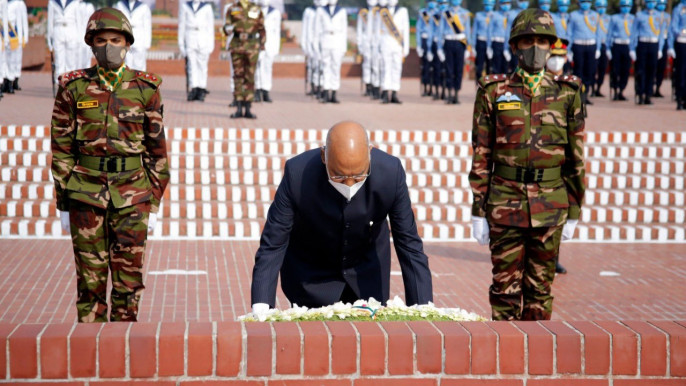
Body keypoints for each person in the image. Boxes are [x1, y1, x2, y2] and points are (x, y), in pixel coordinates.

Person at [50, 8, 170, 322]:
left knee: (129, 284)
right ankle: (91, 357)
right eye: (101, 40)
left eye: (115, 39)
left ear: (127, 43)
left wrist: (153, 204)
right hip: (85, 194)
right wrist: (64, 203)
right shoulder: (73, 88)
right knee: (90, 283)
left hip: (133, 196)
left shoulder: (146, 88)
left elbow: (158, 154)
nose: (108, 46)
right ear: (91, 44)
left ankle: (123, 355)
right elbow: (62, 150)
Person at [470, 8, 585, 320]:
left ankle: (534, 364)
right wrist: (477, 210)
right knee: (504, 291)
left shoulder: (568, 92)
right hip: (504, 202)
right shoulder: (494, 91)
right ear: (514, 47)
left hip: (550, 204)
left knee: (540, 292)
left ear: (552, 46)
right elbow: (481, 153)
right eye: (527, 41)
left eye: (542, 41)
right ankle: (504, 363)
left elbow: (576, 157)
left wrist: (575, 209)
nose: (535, 49)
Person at [249, 121, 433, 312]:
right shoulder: (297, 174)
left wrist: (423, 306)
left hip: (366, 273)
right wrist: (261, 306)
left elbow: (409, 244)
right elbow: (274, 243)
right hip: (311, 275)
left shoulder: (390, 173)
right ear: (324, 157)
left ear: (370, 153)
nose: (349, 185)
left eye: (359, 175)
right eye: (339, 177)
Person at [224, 0, 265, 117]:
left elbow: (262, 28)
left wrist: (262, 46)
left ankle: (248, 108)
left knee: (250, 77)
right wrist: (227, 29)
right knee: (238, 77)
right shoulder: (232, 9)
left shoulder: (256, 9)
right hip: (237, 45)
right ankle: (238, 107)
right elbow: (226, 26)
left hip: (252, 46)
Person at [179, 0, 215, 102]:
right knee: (191, 65)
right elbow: (182, 26)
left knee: (202, 65)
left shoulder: (207, 7)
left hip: (203, 37)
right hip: (190, 36)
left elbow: (210, 27)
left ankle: (201, 88)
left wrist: (210, 44)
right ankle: (194, 88)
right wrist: (181, 43)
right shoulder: (185, 6)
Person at [630, 0, 664, 105]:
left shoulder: (659, 16)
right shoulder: (639, 15)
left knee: (651, 71)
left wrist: (660, 48)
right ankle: (640, 94)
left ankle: (648, 95)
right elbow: (634, 32)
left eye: (653, 1)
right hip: (642, 44)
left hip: (654, 44)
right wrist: (632, 48)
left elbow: (661, 34)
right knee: (641, 71)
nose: (651, 4)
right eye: (649, 1)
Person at [567, 0, 601, 105]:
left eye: (588, 1)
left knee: (590, 71)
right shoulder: (573, 15)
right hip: (578, 46)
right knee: (578, 71)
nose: (585, 3)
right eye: (583, 1)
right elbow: (569, 33)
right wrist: (569, 50)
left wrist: (598, 48)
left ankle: (585, 95)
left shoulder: (596, 15)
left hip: (591, 45)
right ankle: (577, 95)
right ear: (579, 3)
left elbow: (598, 33)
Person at [437, 0, 471, 104]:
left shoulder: (465, 13)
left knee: (458, 69)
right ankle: (449, 94)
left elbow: (468, 31)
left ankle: (456, 94)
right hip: (448, 41)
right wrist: (439, 48)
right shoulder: (445, 13)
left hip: (460, 42)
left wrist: (468, 48)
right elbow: (440, 31)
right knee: (449, 69)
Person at [314, 0, 347, 103]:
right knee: (326, 67)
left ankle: (334, 92)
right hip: (325, 39)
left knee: (336, 67)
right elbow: (316, 29)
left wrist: (343, 47)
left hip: (337, 39)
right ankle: (326, 91)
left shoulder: (341, 11)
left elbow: (344, 30)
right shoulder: (321, 10)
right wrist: (316, 46)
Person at [377, 0, 409, 103]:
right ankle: (385, 92)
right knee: (385, 67)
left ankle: (395, 92)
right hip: (385, 41)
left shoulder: (403, 11)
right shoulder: (382, 11)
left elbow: (406, 29)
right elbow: (377, 30)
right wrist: (378, 46)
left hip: (397, 43)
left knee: (397, 67)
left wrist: (406, 47)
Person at [47, 0, 82, 85]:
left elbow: (79, 21)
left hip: (71, 29)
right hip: (58, 30)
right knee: (59, 61)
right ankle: (61, 85)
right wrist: (49, 38)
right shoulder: (52, 2)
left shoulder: (75, 2)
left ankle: (71, 84)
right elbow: (50, 21)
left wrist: (79, 38)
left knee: (71, 61)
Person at [605, 0, 633, 101]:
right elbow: (609, 33)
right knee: (615, 69)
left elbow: (634, 34)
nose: (626, 8)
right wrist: (608, 48)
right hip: (616, 45)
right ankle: (615, 89)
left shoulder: (633, 18)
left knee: (625, 70)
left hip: (628, 46)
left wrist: (634, 48)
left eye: (628, 6)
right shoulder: (614, 18)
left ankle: (622, 89)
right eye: (624, 5)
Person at [254, 0, 280, 103]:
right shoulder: (253, 10)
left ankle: (266, 90)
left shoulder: (275, 12)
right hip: (257, 42)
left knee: (267, 67)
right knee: (256, 67)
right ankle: (257, 89)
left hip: (270, 43)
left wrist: (276, 47)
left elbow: (277, 30)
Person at [115, 0, 152, 71]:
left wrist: (147, 43)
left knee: (139, 64)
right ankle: (127, 81)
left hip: (139, 38)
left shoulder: (144, 7)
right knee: (126, 64)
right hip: (125, 36)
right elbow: (117, 22)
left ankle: (139, 81)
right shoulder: (120, 5)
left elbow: (147, 25)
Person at [4, 0, 27, 93]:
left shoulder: (18, 3)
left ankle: (12, 81)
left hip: (13, 34)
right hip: (3, 33)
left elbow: (22, 21)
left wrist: (23, 37)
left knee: (14, 59)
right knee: (4, 60)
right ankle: (5, 81)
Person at [417, 0, 436, 96]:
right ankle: (425, 87)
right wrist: (419, 45)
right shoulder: (422, 13)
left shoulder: (439, 13)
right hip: (425, 40)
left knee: (435, 66)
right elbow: (418, 29)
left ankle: (434, 88)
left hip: (435, 41)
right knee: (425, 66)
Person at [358, 0, 377, 96]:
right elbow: (360, 29)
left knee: (376, 65)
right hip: (366, 42)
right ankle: (368, 85)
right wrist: (360, 44)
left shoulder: (380, 11)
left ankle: (376, 86)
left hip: (377, 41)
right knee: (367, 65)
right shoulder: (363, 12)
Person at [487, 0, 511, 74]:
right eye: (504, 3)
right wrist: (489, 46)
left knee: (506, 68)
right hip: (497, 43)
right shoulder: (495, 15)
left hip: (508, 43)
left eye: (508, 3)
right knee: (496, 66)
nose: (506, 5)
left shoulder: (511, 16)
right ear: (500, 4)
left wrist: (506, 48)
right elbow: (489, 31)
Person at [473, 0, 495, 81]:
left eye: (490, 4)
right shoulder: (478, 15)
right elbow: (474, 31)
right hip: (481, 42)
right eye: (486, 4)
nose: (488, 6)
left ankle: (489, 84)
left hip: (492, 43)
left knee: (490, 66)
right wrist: (473, 46)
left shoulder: (495, 16)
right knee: (479, 66)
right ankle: (479, 83)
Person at [592, 0, 609, 97]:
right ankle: (592, 88)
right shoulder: (592, 17)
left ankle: (598, 88)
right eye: (599, 7)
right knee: (593, 69)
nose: (601, 9)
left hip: (605, 45)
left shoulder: (609, 18)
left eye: (603, 7)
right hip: (594, 45)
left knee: (603, 68)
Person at [653, 0, 670, 98]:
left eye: (663, 4)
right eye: (660, 4)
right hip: (655, 40)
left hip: (665, 40)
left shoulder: (668, 16)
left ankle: (658, 88)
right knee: (652, 66)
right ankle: (649, 88)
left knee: (661, 67)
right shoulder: (653, 15)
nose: (661, 6)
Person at [672, 0, 686, 110]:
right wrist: (681, 32)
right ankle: (679, 98)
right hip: (682, 42)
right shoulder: (678, 9)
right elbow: (674, 27)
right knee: (681, 72)